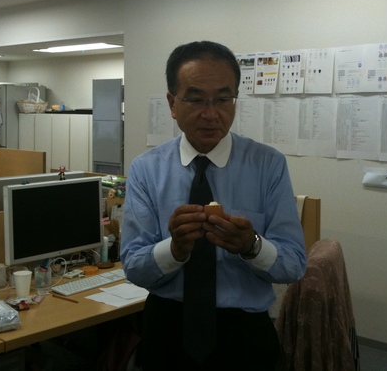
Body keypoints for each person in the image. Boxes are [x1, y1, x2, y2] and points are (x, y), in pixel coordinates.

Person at [120, 40, 307, 370]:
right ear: (172, 104)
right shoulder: (146, 170)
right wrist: (175, 249)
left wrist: (251, 246)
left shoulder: (268, 165)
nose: (210, 114)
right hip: (167, 329)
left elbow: (293, 265)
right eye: (195, 99)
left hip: (245, 334)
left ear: (235, 100)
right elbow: (134, 266)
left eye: (223, 99)